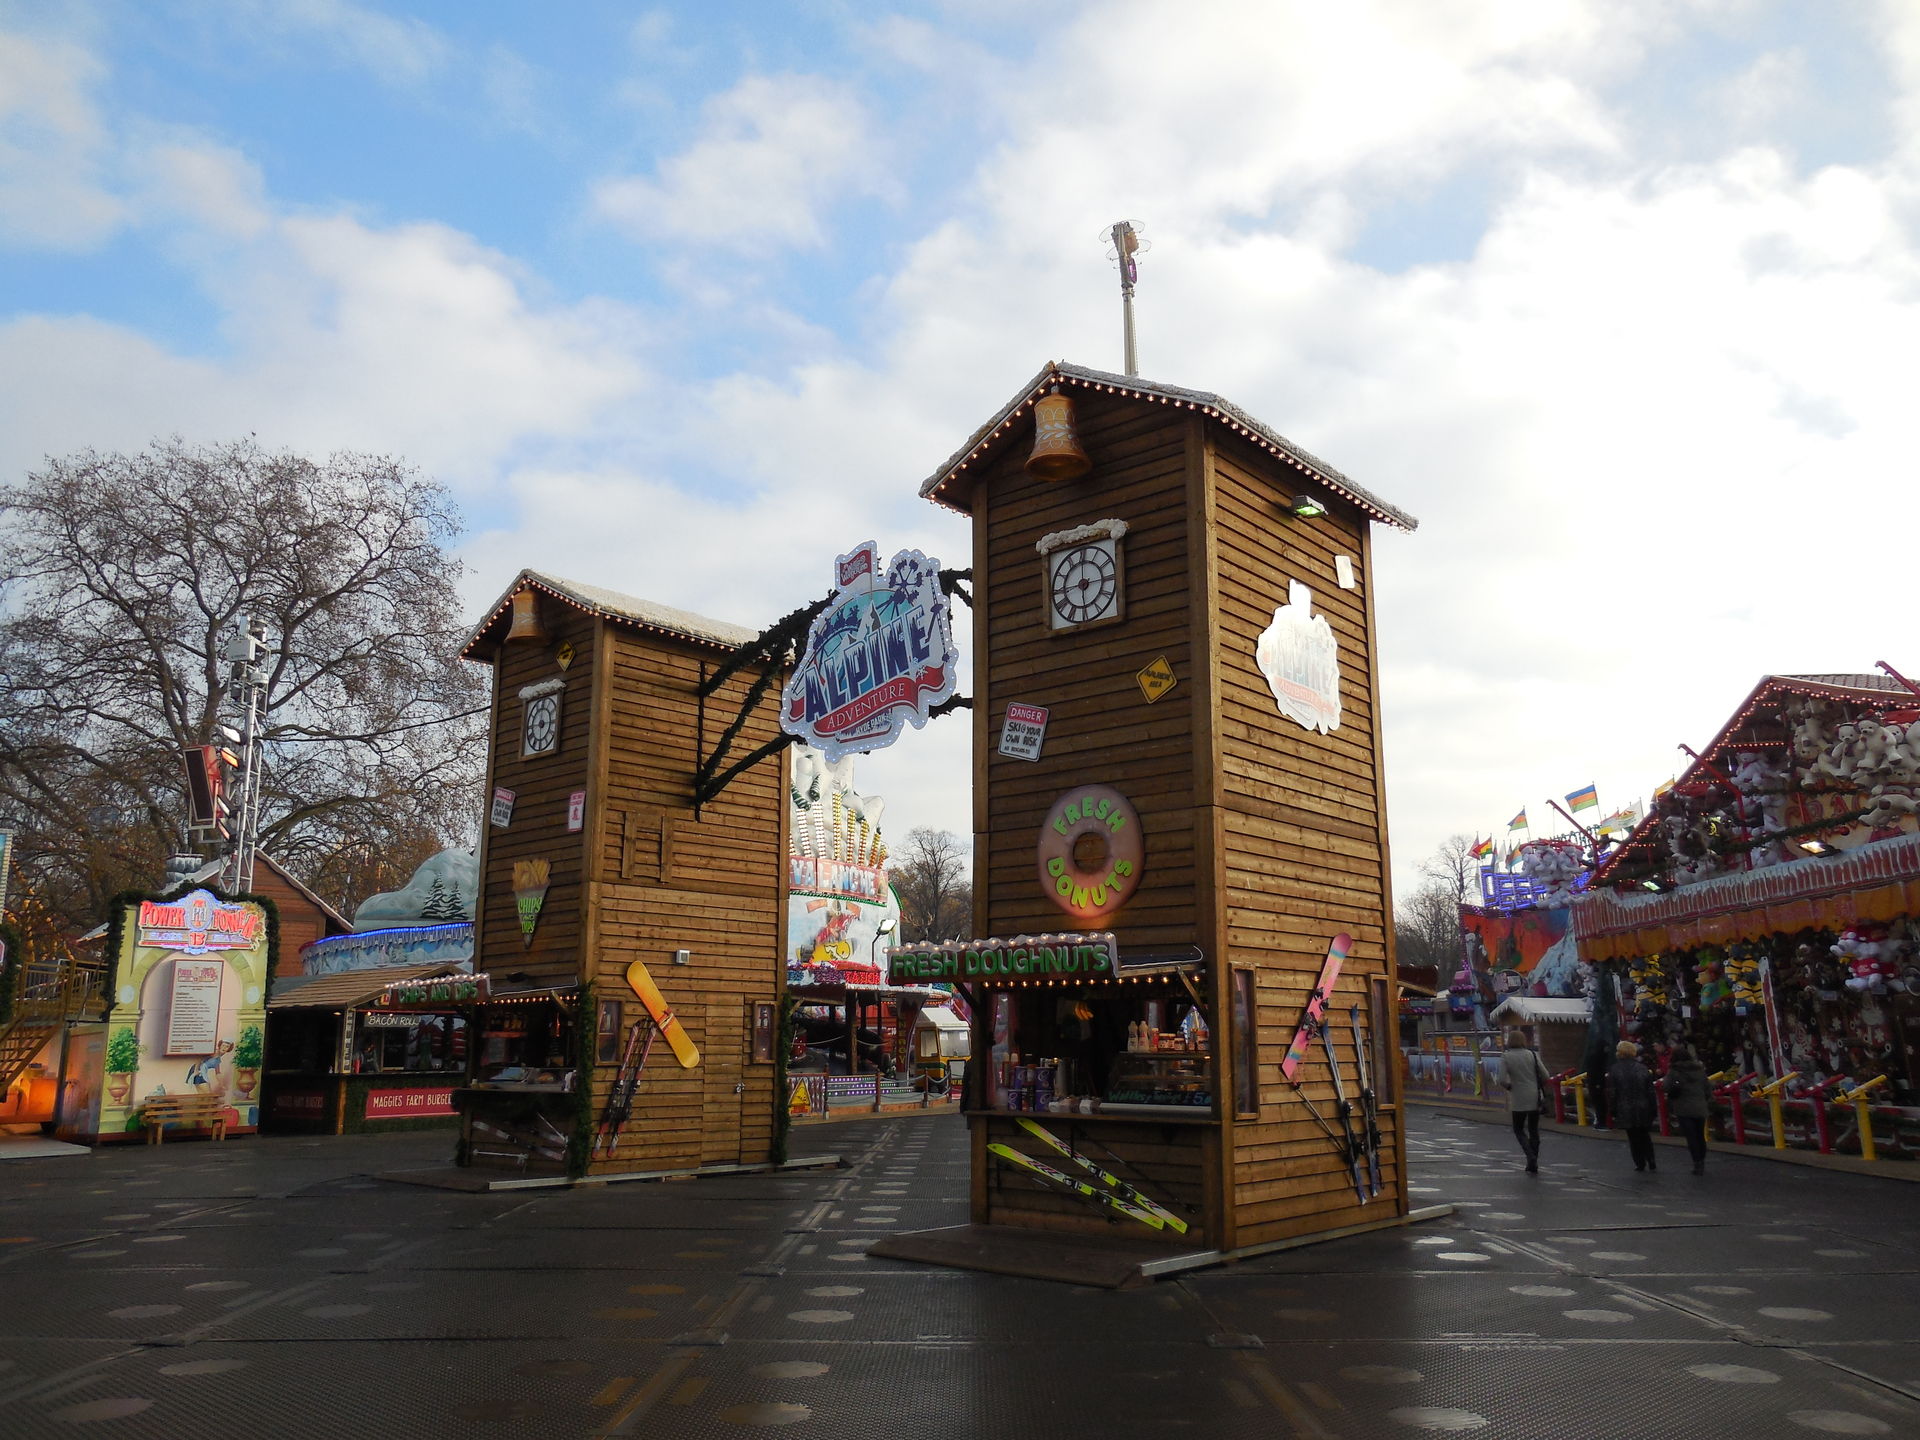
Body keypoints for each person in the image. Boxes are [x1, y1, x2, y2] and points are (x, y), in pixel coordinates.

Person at [1499, 1029, 1552, 1173]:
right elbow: (1546, 1075)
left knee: (1518, 1129)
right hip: (1534, 1096)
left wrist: (1510, 1087)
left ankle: (1530, 1156)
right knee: (1533, 1129)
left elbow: (1501, 1079)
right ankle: (1533, 1160)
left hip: (1518, 1097)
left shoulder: (1506, 1056)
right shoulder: (1532, 1055)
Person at [1608, 1039, 1658, 1172]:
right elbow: (1650, 1091)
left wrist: (1612, 1110)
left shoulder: (1615, 1069)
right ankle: (1651, 1159)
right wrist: (1653, 1108)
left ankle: (1639, 1162)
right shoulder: (1643, 1068)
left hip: (1625, 1107)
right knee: (1645, 1135)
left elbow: (1613, 1092)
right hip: (1643, 1106)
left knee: (1633, 1137)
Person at [1665, 1042, 1712, 1175]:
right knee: (1700, 1135)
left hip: (1683, 1108)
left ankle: (1697, 1162)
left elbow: (1667, 1087)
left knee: (1691, 1137)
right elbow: (1707, 1089)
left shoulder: (1674, 1071)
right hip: (1700, 1106)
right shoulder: (1699, 1070)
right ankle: (1702, 1160)